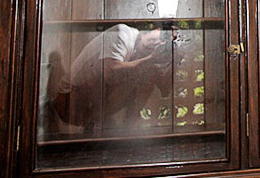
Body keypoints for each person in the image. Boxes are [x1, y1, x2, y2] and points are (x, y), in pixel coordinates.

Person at [46, 24, 174, 131]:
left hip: (91, 107)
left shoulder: (143, 55)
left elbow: (165, 89)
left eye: (166, 45)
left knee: (148, 72)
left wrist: (176, 62)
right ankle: (117, 128)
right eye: (164, 37)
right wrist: (151, 59)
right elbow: (110, 73)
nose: (159, 43)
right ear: (157, 30)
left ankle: (125, 130)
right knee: (143, 70)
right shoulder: (122, 33)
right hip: (69, 102)